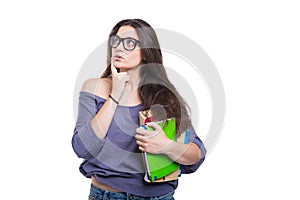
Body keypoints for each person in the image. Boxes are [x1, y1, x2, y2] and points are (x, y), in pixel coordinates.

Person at [72, 19, 206, 200]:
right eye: (116, 41)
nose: (119, 48)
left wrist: (167, 146)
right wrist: (114, 96)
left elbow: (196, 155)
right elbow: (83, 148)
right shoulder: (95, 88)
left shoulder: (163, 96)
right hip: (108, 195)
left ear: (146, 52)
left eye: (129, 43)